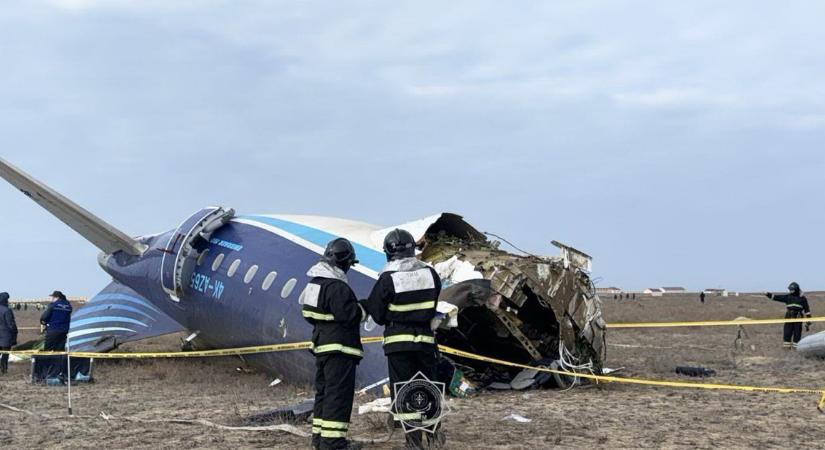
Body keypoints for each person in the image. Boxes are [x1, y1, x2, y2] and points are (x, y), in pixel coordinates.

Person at [361, 229, 443, 449]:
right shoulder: (431, 274)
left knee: (405, 391)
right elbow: (433, 304)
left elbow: (377, 314)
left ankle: (413, 441)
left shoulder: (388, 279)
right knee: (428, 388)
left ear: (389, 252)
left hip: (399, 344)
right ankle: (434, 435)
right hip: (425, 341)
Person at [301, 238, 365, 450]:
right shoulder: (338, 287)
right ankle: (334, 443)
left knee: (324, 393)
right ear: (345, 262)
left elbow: (308, 314)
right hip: (340, 349)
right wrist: (363, 308)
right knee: (338, 396)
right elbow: (350, 315)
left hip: (322, 347)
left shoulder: (314, 284)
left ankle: (319, 440)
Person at [764, 282, 812, 348]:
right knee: (787, 333)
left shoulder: (803, 298)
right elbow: (776, 297)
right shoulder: (787, 297)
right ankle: (787, 350)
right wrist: (767, 294)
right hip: (788, 317)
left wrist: (808, 321)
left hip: (798, 318)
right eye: (790, 290)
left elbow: (807, 310)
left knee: (797, 334)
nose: (791, 291)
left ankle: (796, 350)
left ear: (796, 289)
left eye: (792, 290)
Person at [0, 292, 18, 374]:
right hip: (5, 337)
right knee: (5, 355)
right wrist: (15, 332)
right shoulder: (7, 310)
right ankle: (4, 370)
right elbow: (11, 324)